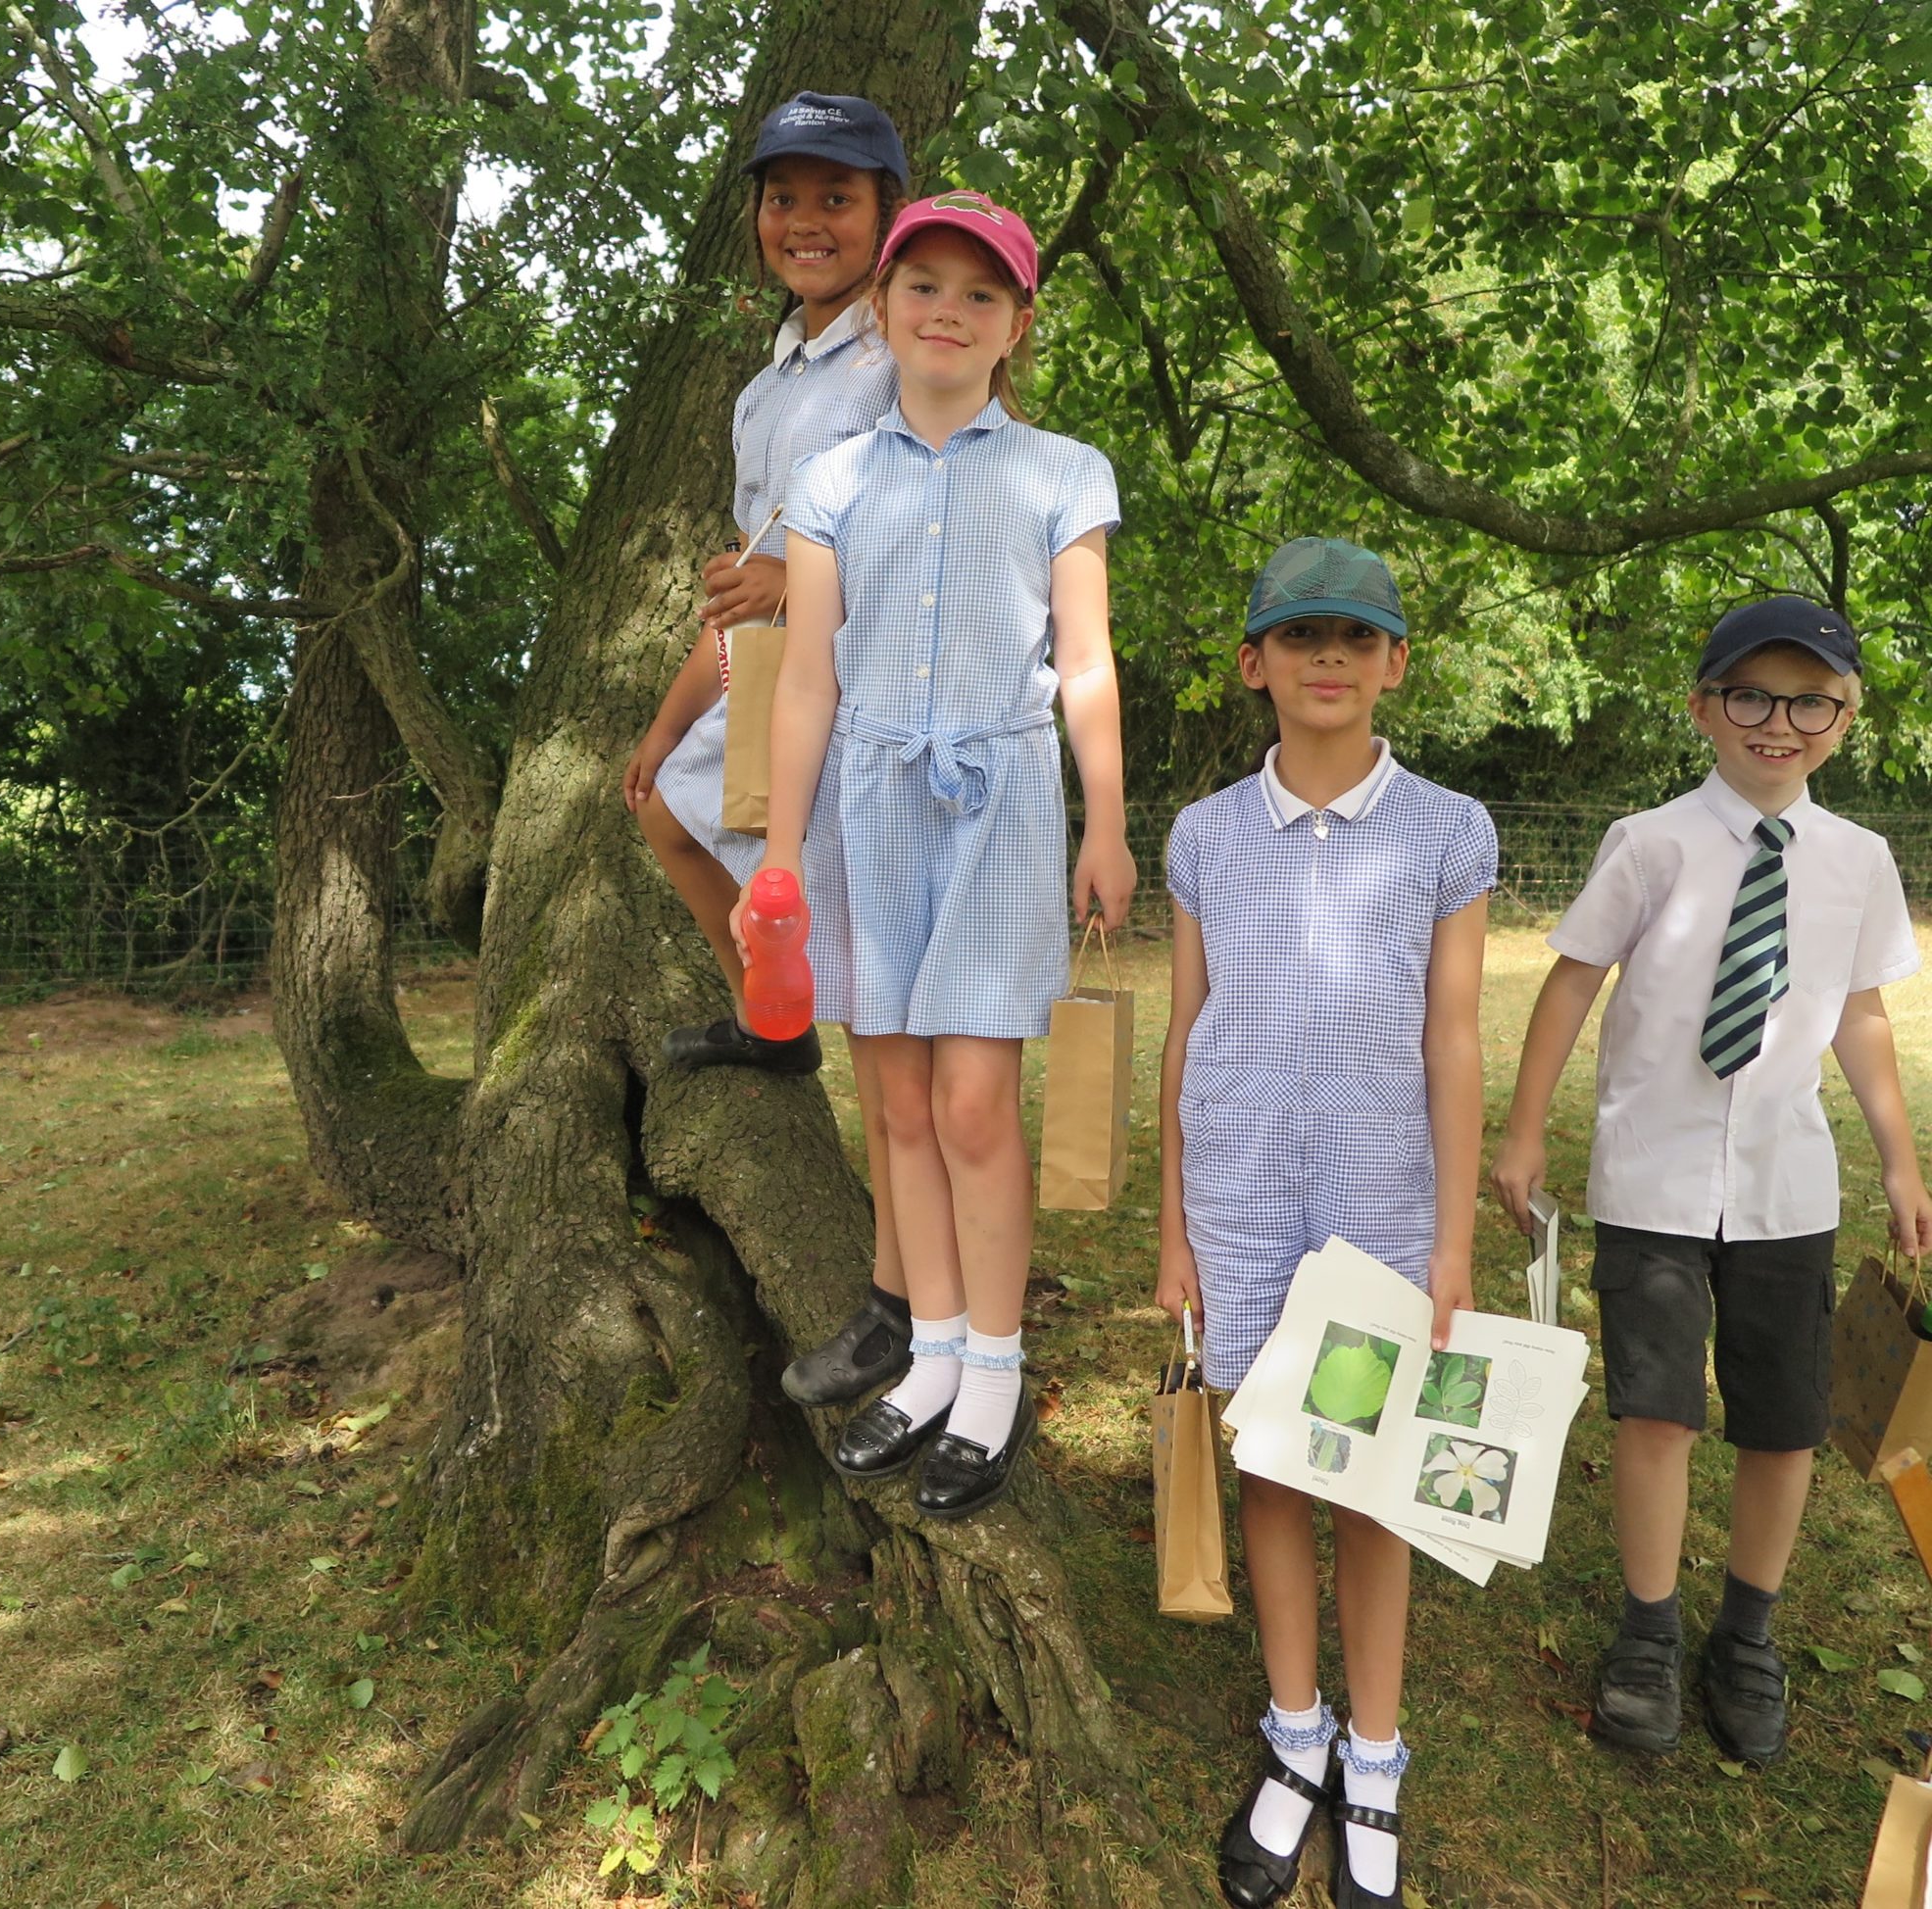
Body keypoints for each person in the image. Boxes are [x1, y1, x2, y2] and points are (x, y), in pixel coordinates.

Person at [743, 188, 1134, 1520]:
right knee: (899, 1103)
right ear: (885, 307)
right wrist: (781, 856)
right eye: (924, 288)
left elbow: (1083, 664)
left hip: (1003, 801)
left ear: (1017, 324)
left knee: (974, 1103)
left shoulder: (1063, 473)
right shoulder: (832, 480)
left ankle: (997, 1371)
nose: (948, 313)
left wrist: (1110, 820)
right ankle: (932, 1353)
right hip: (867, 805)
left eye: (981, 293)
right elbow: (804, 683)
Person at [1490, 594, 1932, 1771]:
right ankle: (1646, 1633)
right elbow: (1573, 981)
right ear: (1703, 707)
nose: (1775, 722)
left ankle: (1747, 1633)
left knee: (1782, 1421)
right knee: (1655, 1408)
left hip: (1789, 1192)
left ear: (1844, 717)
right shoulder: (1649, 843)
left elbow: (1861, 1017)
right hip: (1651, 1182)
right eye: (1749, 695)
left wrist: (1898, 1159)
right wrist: (1524, 1128)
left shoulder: (1859, 863)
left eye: (1807, 701)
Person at [1156, 539, 1496, 1909]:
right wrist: (1174, 1226)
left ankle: (1373, 1754)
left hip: (1378, 1205)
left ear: (1397, 663)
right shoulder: (1201, 837)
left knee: (1366, 1470)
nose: (1331, 659)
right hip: (1237, 1198)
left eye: (1359, 637)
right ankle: (1292, 1737)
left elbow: (1458, 1040)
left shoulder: (1448, 832)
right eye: (1302, 638)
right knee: (1275, 1467)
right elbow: (1185, 1031)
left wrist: (1452, 1239)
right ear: (1257, 665)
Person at [622, 91, 921, 1410]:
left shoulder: (904, 359)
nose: (804, 221)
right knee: (660, 810)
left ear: (885, 217)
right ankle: (770, 1019)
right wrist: (670, 719)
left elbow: (909, 551)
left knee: (890, 1034)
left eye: (836, 198)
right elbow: (745, 585)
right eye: (782, 197)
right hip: (770, 701)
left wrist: (795, 586)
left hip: (869, 720)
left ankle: (902, 1300)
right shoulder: (761, 395)